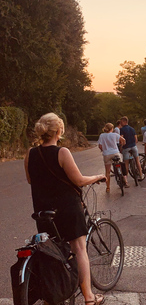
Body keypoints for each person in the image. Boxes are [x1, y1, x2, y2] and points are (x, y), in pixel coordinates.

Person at [24, 113, 106, 305]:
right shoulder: (62, 152)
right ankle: (89, 297)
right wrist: (97, 176)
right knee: (79, 248)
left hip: (44, 212)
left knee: (51, 251)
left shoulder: (30, 153)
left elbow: (30, 180)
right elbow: (78, 180)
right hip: (67, 208)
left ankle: (55, 292)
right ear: (59, 131)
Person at [98, 123, 126, 193]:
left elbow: (100, 146)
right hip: (115, 153)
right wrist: (122, 145)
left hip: (107, 154)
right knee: (121, 164)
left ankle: (108, 187)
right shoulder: (115, 135)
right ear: (112, 129)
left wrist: (103, 150)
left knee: (107, 171)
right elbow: (123, 140)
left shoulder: (102, 135)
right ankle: (124, 179)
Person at [120, 116, 143, 186]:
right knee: (137, 161)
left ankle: (126, 180)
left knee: (126, 163)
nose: (120, 123)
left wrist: (121, 147)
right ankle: (141, 175)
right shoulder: (132, 129)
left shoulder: (122, 129)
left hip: (126, 147)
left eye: (121, 122)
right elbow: (136, 140)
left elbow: (121, 139)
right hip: (133, 147)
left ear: (125, 122)